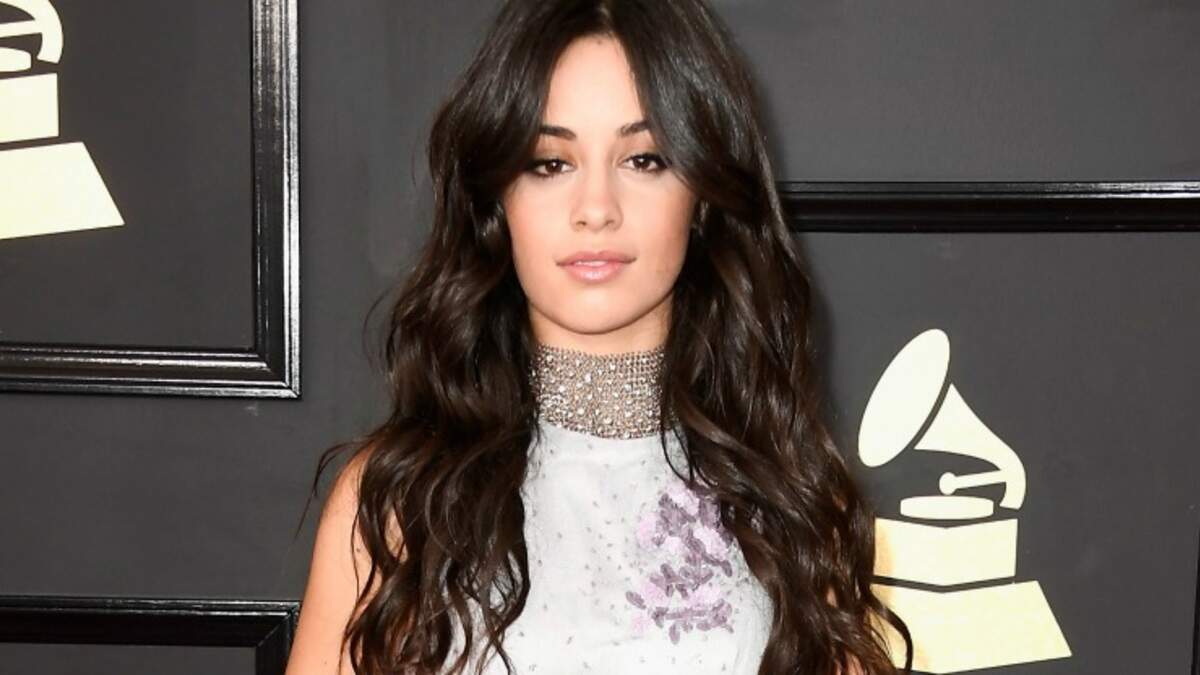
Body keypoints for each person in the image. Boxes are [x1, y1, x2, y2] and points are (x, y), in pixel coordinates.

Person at [285, 0, 912, 673]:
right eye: (550, 163)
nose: (595, 210)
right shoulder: (397, 502)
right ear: (496, 198)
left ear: (702, 196)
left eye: (643, 159)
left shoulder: (790, 497)